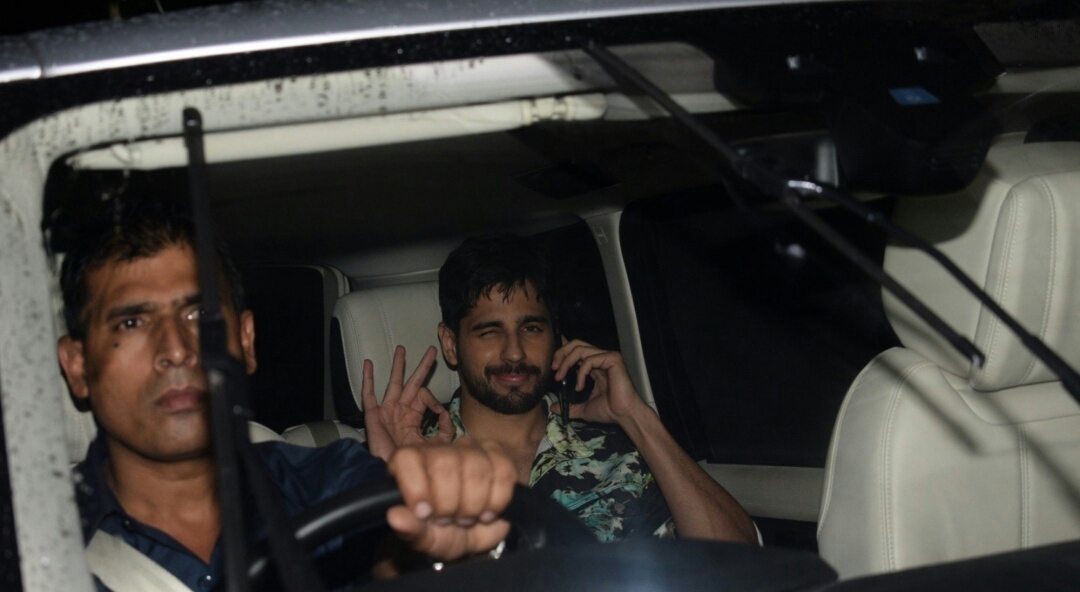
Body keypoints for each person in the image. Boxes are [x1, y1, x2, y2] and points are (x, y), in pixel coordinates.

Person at [57, 198, 516, 591]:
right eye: (131, 323)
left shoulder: (335, 483)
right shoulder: (32, 543)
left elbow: (393, 554)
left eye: (202, 317)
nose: (175, 350)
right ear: (77, 366)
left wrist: (434, 536)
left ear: (248, 341)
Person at [362, 234, 757, 544]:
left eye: (531, 328)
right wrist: (393, 483)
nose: (514, 352)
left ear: (557, 337)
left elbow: (737, 561)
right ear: (451, 344)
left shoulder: (618, 457)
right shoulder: (412, 455)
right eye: (489, 331)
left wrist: (636, 417)